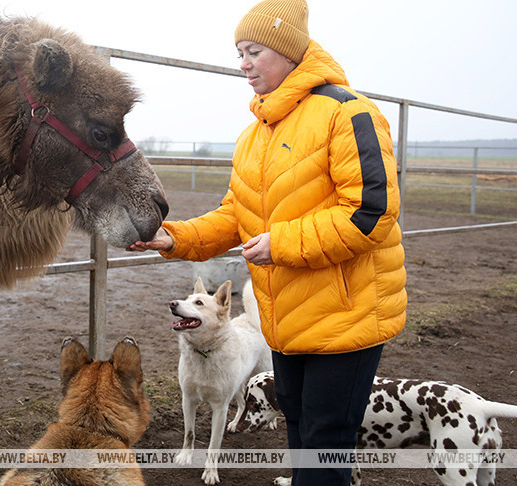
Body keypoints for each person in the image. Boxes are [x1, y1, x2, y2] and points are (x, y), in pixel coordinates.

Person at [129, 0, 407, 484]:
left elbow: (372, 212)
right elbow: (236, 215)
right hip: (285, 317)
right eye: (239, 52)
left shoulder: (349, 114)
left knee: (326, 441)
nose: (243, 64)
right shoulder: (253, 136)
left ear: (287, 50)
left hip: (345, 314)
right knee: (299, 429)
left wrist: (281, 244)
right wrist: (174, 238)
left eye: (254, 51)